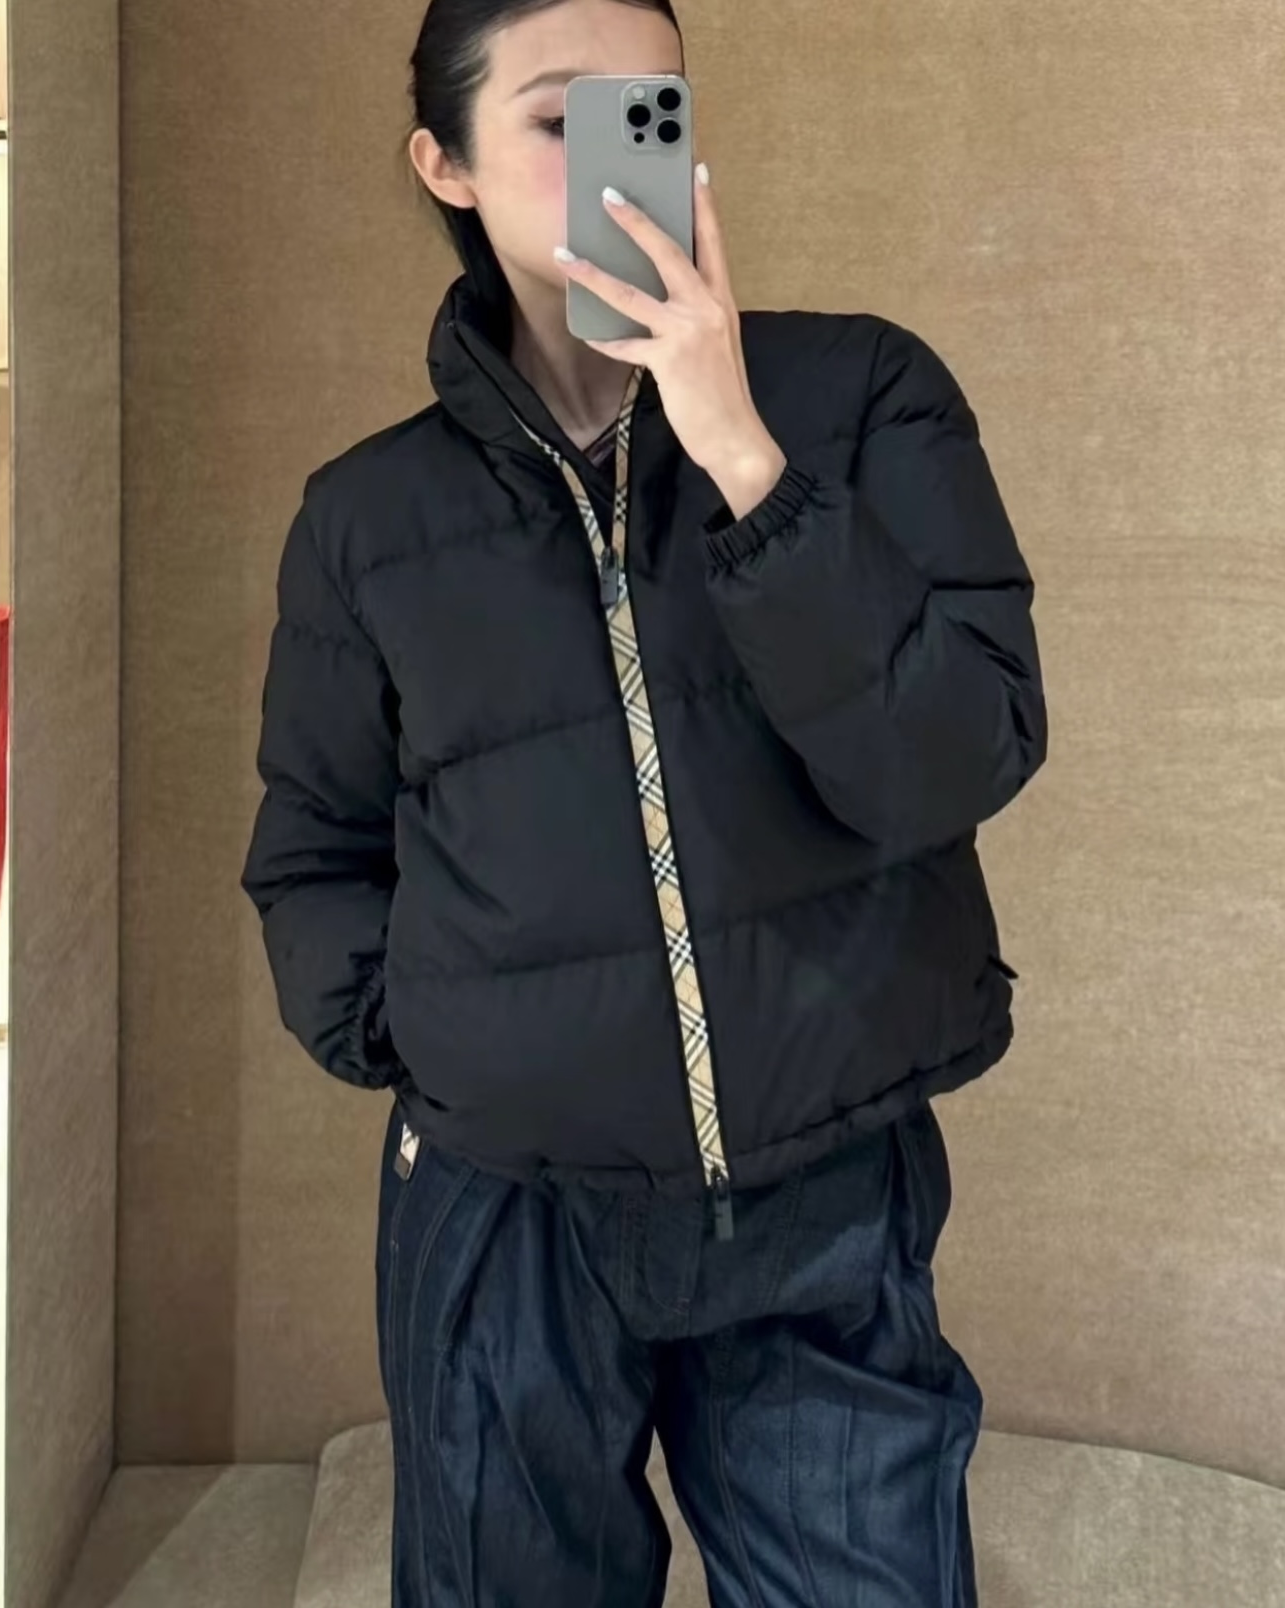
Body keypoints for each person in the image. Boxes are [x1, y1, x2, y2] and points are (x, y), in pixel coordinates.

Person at [239, 1, 1048, 1603]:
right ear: (445, 163)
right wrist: (439, 1047)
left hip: (823, 1180)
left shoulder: (860, 398)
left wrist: (740, 449)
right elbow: (315, 846)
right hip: (509, 1214)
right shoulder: (365, 519)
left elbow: (959, 758)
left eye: (651, 107)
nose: (617, 150)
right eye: (561, 117)